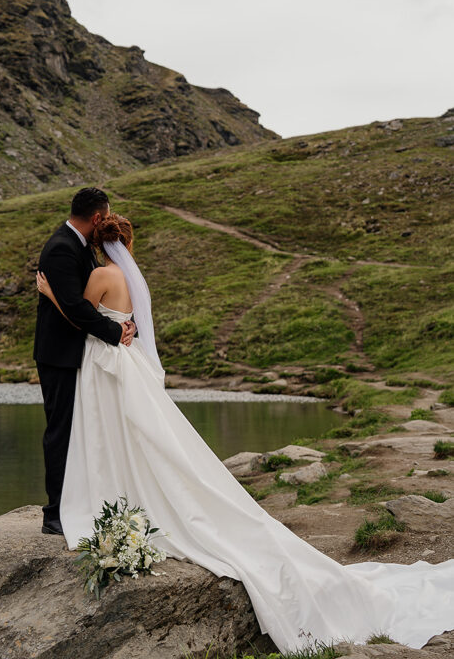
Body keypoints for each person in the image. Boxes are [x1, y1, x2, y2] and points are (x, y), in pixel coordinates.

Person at [36, 211, 454, 653]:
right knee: (142, 437)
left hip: (106, 366)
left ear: (98, 242)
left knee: (113, 435)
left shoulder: (101, 274)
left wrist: (50, 292)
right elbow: (123, 323)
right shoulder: (131, 277)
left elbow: (79, 314)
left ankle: (115, 494)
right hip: (125, 363)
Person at [33, 187, 137, 535]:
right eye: (104, 218)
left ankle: (82, 501)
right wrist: (114, 330)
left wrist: (126, 326)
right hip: (60, 356)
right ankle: (54, 514)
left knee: (84, 430)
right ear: (96, 218)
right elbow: (77, 309)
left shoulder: (81, 247)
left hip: (81, 354)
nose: (105, 225)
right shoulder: (62, 248)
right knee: (61, 431)